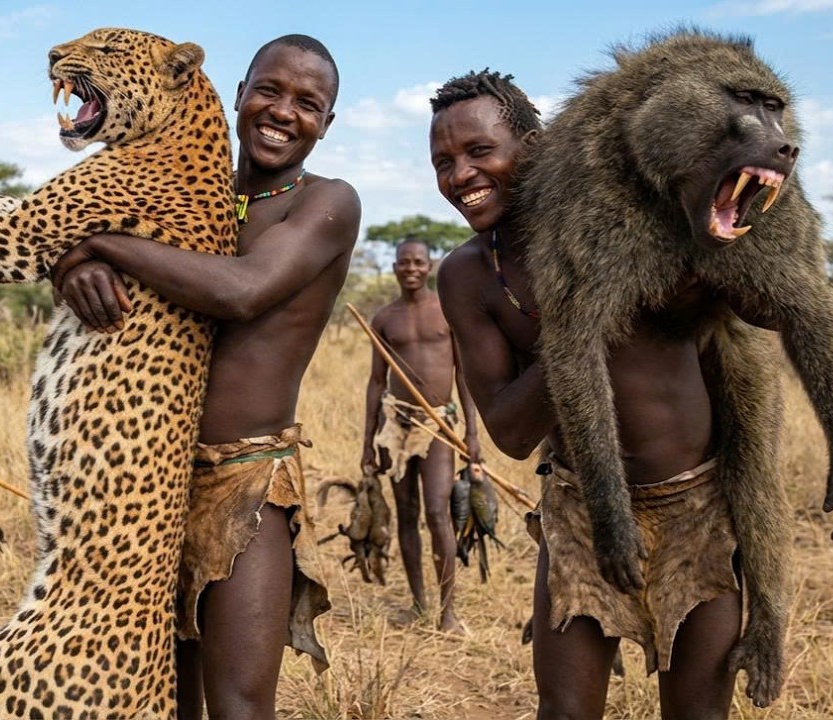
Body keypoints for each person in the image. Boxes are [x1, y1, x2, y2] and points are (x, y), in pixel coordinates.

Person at [433, 70, 768, 719]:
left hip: (696, 505)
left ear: (532, 150)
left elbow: (764, 305)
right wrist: (579, 320)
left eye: (479, 152)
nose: (459, 175)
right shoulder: (470, 276)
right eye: (443, 161)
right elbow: (508, 430)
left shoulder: (631, 217)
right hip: (580, 513)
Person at [49, 34, 360, 720]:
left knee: (239, 705)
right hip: (146, 482)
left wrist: (97, 243)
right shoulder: (182, 190)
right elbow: (63, 237)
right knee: (158, 699)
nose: (284, 111)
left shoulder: (326, 204)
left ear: (327, 123)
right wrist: (75, 265)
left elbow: (243, 290)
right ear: (239, 91)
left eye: (309, 103)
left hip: (247, 481)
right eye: (270, 90)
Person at [361, 238, 481, 632]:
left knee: (436, 512)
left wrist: (472, 435)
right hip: (396, 426)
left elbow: (464, 375)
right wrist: (368, 444)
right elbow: (376, 383)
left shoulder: (447, 312)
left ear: (428, 266)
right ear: (394, 268)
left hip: (438, 427)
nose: (410, 269)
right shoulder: (384, 318)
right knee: (407, 514)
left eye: (417, 262)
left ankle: (448, 613)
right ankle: (417, 604)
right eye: (402, 263)